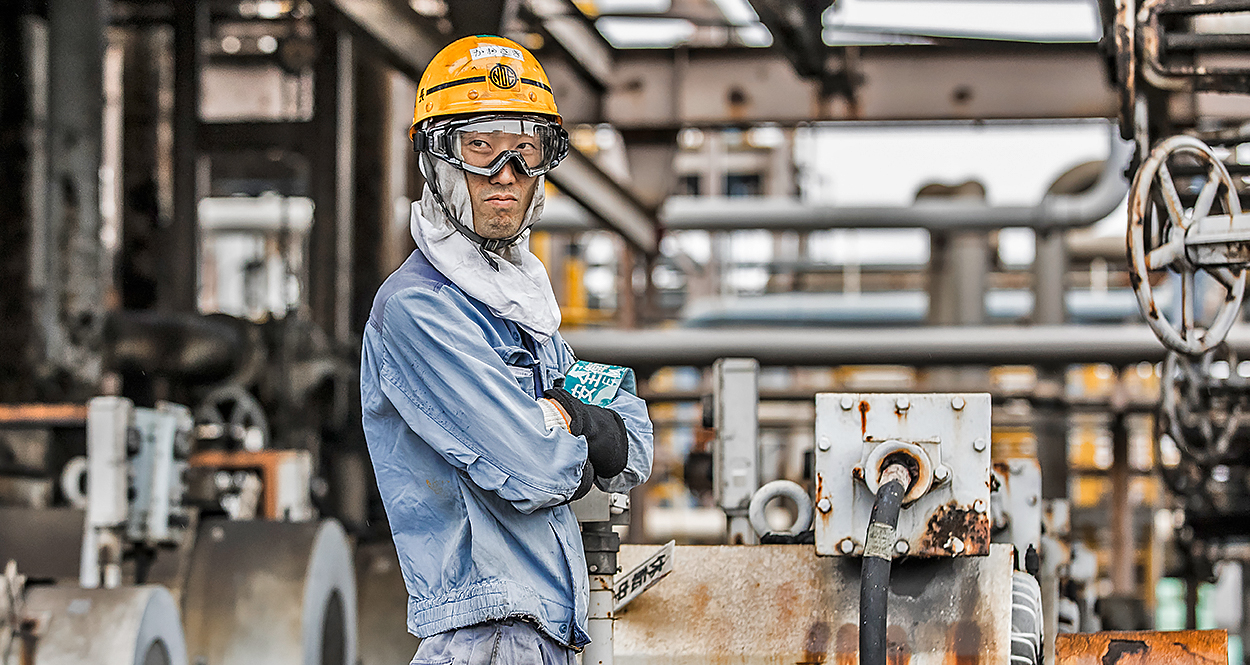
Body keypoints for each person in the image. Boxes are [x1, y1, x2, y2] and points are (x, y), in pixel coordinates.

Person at [360, 35, 654, 665]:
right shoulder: (419, 310)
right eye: (481, 149)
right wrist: (579, 434)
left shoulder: (526, 308)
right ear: (438, 159)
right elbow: (535, 468)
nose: (506, 177)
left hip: (545, 634)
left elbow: (631, 435)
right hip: (485, 636)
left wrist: (575, 423)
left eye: (525, 153)